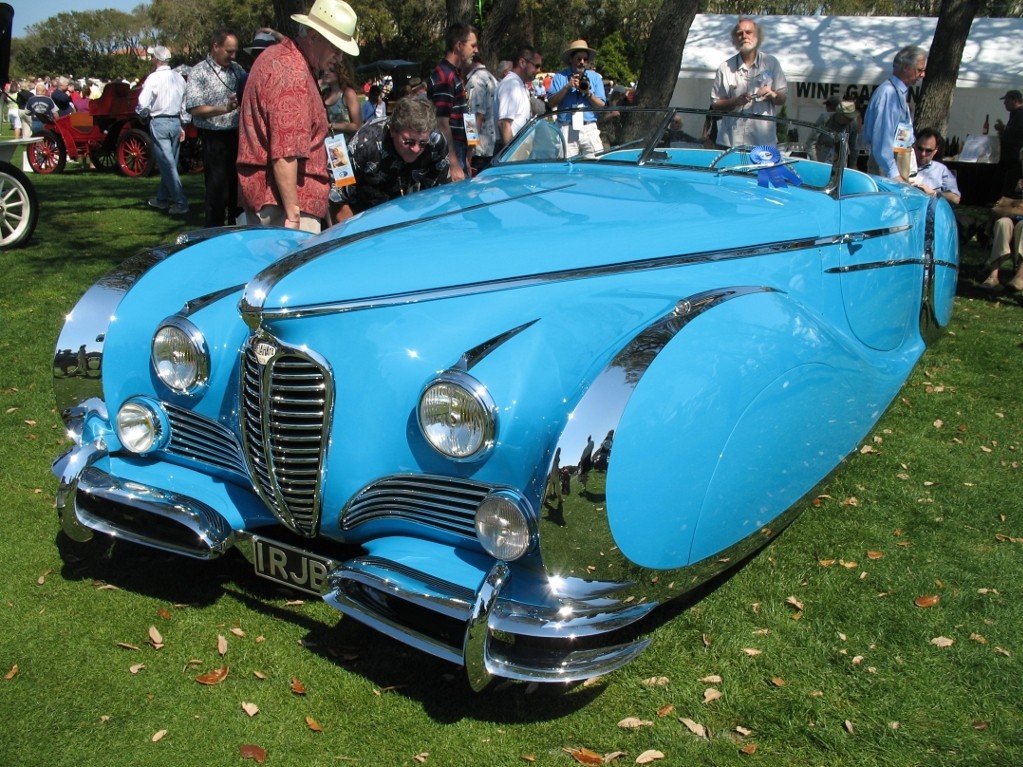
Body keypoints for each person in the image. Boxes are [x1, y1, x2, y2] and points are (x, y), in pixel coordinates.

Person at [237, 0, 360, 233]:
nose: (339, 57)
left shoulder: (285, 59)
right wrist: (293, 216)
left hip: (278, 202)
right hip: (284, 209)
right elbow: (285, 153)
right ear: (313, 36)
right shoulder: (292, 72)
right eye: (335, 48)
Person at [330, 96, 449, 222]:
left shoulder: (436, 142)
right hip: (363, 210)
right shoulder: (363, 144)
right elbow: (338, 200)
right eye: (408, 142)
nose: (416, 149)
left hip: (407, 207)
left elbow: (439, 196)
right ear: (392, 130)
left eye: (423, 143)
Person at [184, 28, 248, 226]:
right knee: (216, 194)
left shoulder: (237, 70)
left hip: (237, 137)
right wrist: (224, 108)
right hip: (214, 139)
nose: (233, 56)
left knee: (238, 192)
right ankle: (214, 235)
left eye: (235, 51)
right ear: (215, 46)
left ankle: (238, 233)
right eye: (229, 51)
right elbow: (195, 108)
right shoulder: (199, 72)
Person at [710, 17, 787, 148]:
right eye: (740, 33)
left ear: (758, 36)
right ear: (735, 39)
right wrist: (735, 101)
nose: (744, 36)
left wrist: (772, 95)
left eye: (748, 32)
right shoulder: (725, 67)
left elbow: (782, 98)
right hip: (730, 143)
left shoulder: (771, 63)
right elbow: (715, 103)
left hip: (763, 143)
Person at [137, 46, 190, 216]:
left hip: (159, 121)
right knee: (170, 163)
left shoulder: (153, 78)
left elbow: (143, 103)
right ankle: (161, 198)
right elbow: (185, 104)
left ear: (156, 59)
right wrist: (184, 125)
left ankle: (181, 202)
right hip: (175, 121)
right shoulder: (179, 78)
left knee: (167, 165)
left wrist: (142, 113)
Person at [863, 45, 927, 182]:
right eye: (919, 70)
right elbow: (882, 141)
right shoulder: (888, 93)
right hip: (886, 171)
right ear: (905, 67)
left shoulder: (898, 93)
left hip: (896, 165)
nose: (922, 75)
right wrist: (895, 176)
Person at [427, 22, 478, 181]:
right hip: (451, 150)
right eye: (473, 46)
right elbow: (442, 122)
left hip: (461, 149)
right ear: (458, 45)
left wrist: (469, 151)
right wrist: (453, 161)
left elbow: (465, 113)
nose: (476, 50)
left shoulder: (455, 74)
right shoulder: (444, 76)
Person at [547, 39, 606, 158]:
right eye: (579, 59)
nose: (582, 62)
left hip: (589, 128)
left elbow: (601, 105)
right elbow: (551, 103)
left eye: (585, 59)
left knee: (596, 165)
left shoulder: (595, 78)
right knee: (566, 167)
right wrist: (567, 87)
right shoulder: (560, 77)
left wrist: (588, 93)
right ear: (571, 59)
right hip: (566, 127)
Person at [495, 46, 542, 151]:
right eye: (536, 66)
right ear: (522, 62)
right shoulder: (511, 85)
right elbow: (504, 124)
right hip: (512, 153)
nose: (539, 70)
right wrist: (511, 158)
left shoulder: (519, 85)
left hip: (520, 150)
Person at [981, 183, 1023, 290]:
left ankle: (1020, 277)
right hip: (1009, 214)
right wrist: (1015, 190)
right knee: (1002, 223)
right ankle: (993, 275)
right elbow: (1000, 199)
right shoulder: (1013, 175)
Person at [465, 52, 499, 173]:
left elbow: (474, 117)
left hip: (480, 151)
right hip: (492, 145)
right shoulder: (492, 78)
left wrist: (469, 152)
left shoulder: (475, 80)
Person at [910, 127, 960, 205]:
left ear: (935, 150)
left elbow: (956, 198)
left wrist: (933, 193)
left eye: (928, 151)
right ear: (915, 146)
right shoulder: (903, 165)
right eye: (920, 148)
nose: (923, 154)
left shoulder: (941, 170)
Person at [321, 58, 361, 141]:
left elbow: (358, 125)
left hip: (347, 146)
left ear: (341, 72)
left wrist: (332, 125)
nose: (326, 73)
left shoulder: (348, 93)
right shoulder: (324, 94)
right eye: (324, 70)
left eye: (331, 70)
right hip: (329, 145)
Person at [994, 89, 1023, 195]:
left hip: (1015, 156)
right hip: (1009, 155)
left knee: (1011, 181)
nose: (1004, 103)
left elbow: (1020, 132)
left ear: (1015, 101)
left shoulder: (1021, 113)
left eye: (1007, 100)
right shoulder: (1015, 113)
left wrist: (1004, 128)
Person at [814, 99, 859, 165]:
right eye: (849, 118)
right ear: (840, 116)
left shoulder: (853, 124)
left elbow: (854, 147)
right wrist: (814, 161)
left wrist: (853, 164)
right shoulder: (825, 119)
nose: (851, 120)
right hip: (822, 157)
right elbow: (811, 142)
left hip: (841, 159)